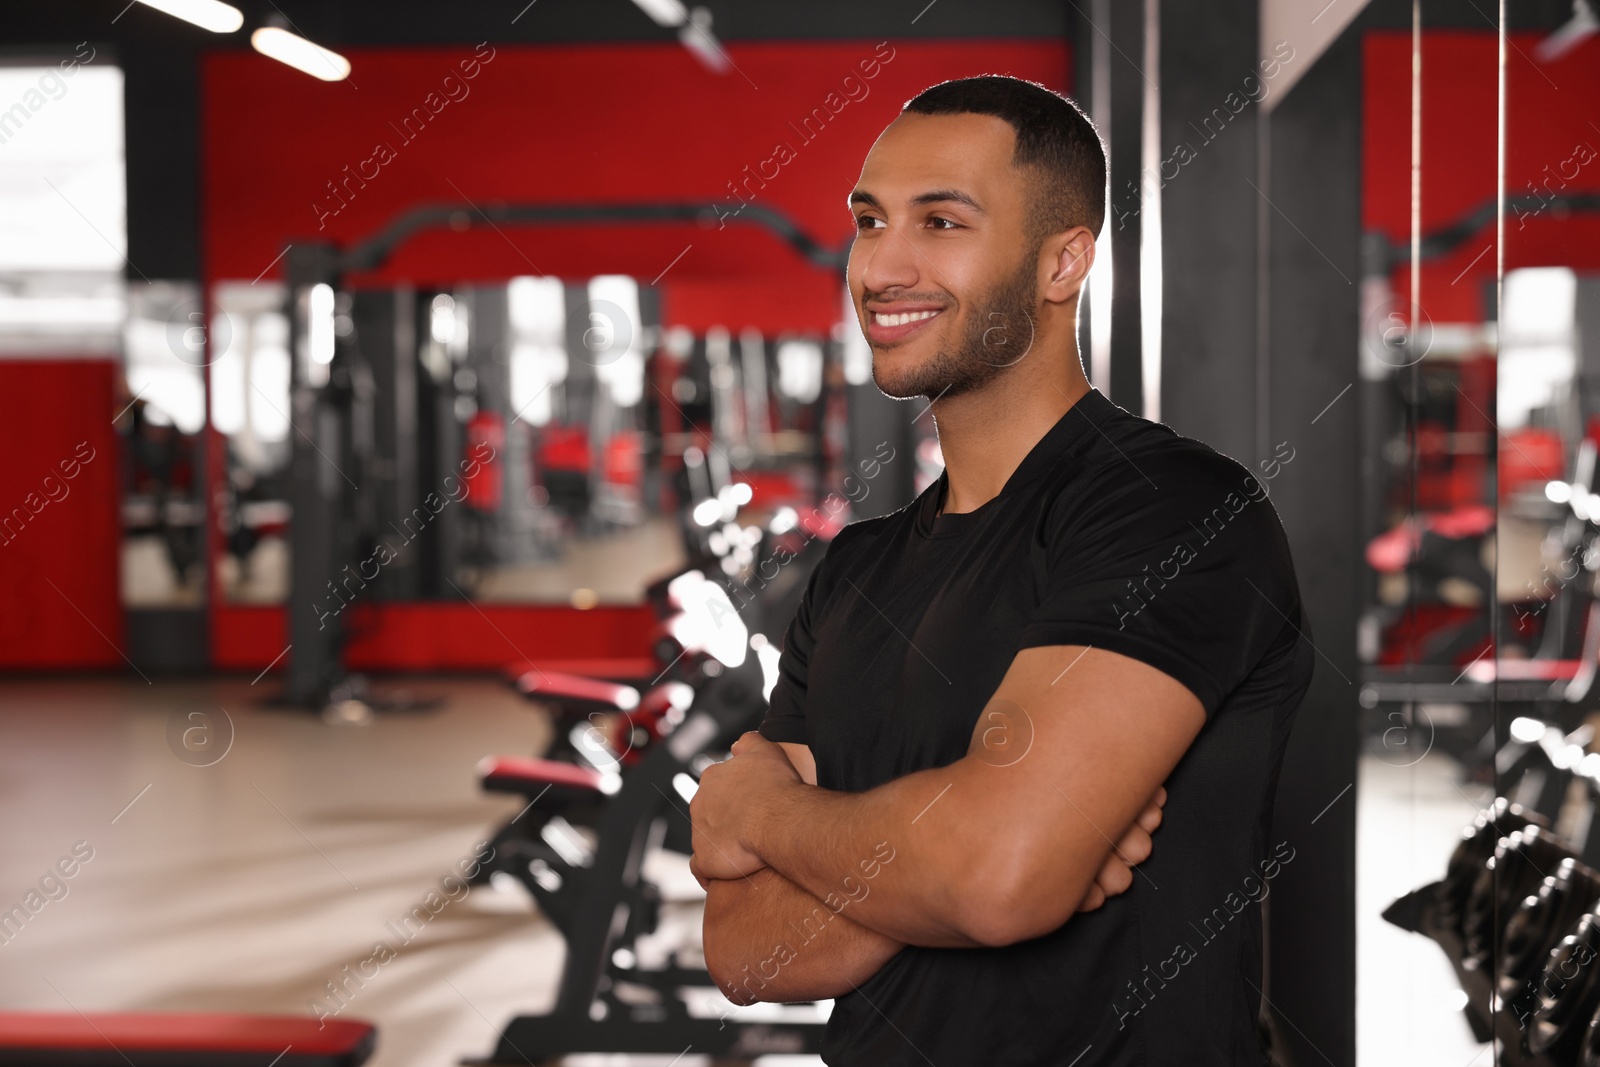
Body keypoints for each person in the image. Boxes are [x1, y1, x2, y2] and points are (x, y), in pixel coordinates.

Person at [689, 74, 1316, 1066]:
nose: (882, 264)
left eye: (941, 221)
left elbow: (993, 876)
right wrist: (956, 855)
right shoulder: (854, 570)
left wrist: (759, 811)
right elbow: (746, 949)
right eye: (868, 219)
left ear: (1063, 260)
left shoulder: (1176, 509)